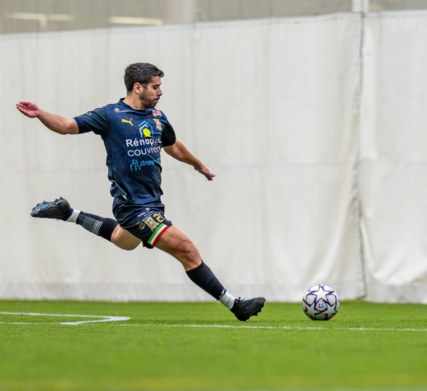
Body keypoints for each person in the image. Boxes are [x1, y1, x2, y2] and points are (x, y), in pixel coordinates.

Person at [16, 62, 265, 321]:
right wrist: (40, 113)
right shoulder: (110, 115)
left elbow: (172, 145)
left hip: (152, 203)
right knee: (187, 250)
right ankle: (236, 306)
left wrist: (197, 164)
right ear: (138, 87)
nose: (160, 92)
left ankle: (69, 213)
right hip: (133, 207)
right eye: (155, 87)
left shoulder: (157, 117)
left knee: (122, 241)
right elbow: (67, 125)